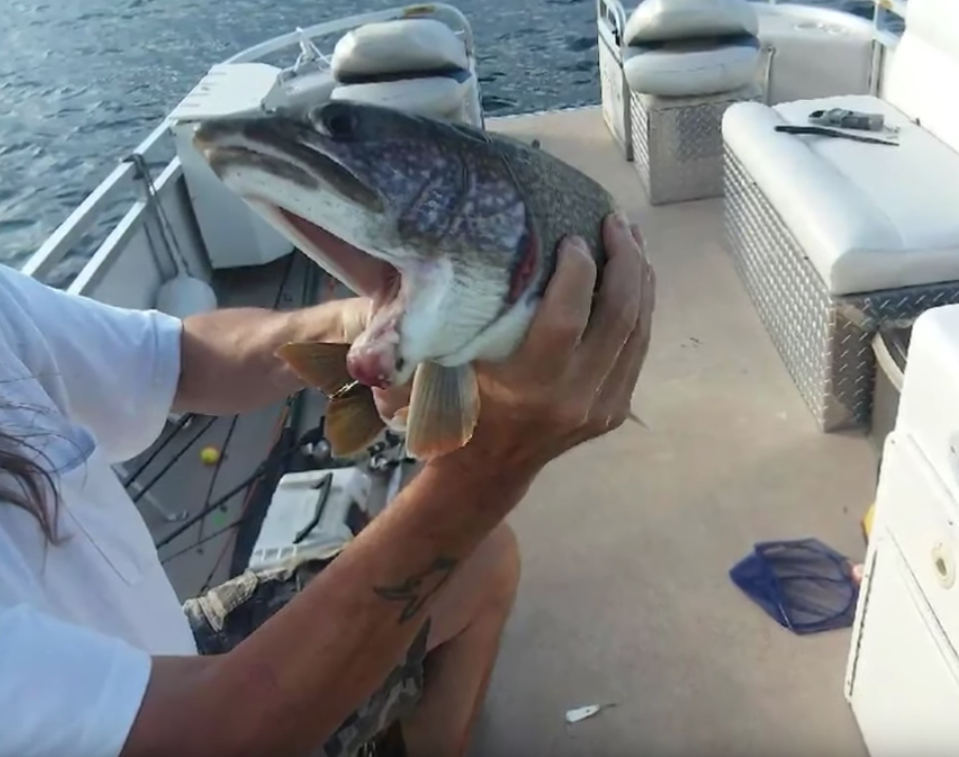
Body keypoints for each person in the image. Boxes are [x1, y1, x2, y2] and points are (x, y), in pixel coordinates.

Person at [0, 212, 655, 757]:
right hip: (197, 722)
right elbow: (212, 735)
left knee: (482, 563)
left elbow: (176, 359)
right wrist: (487, 470)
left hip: (168, 651)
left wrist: (361, 325)